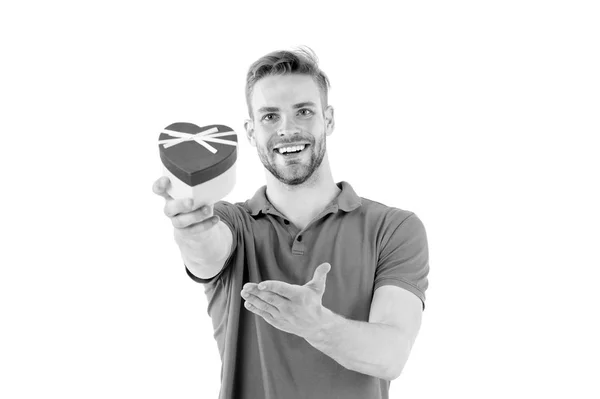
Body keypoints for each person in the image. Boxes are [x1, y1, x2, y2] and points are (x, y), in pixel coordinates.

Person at [152, 46, 430, 399]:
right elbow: (207, 251)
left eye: (303, 111)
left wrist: (316, 325)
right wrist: (191, 228)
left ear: (327, 120)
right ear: (251, 132)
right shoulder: (231, 222)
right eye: (270, 116)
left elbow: (391, 356)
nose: (287, 129)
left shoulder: (394, 229)